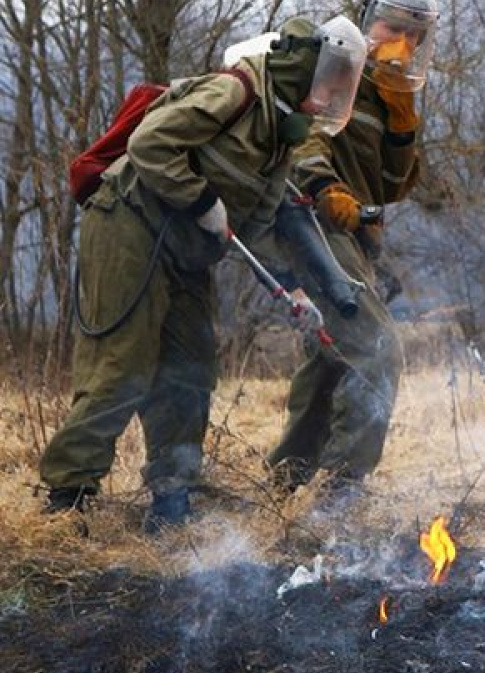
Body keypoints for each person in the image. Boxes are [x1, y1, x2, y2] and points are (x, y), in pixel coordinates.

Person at [39, 16, 367, 533]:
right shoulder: (233, 92)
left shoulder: (279, 140)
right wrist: (202, 198)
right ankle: (66, 500)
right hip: (131, 222)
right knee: (122, 366)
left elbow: (256, 228)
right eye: (325, 87)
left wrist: (292, 289)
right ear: (302, 71)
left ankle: (171, 502)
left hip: (187, 251)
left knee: (191, 369)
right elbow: (150, 145)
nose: (327, 100)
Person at [265, 0, 438, 502]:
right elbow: (304, 134)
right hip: (312, 220)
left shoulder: (392, 93)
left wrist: (403, 122)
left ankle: (280, 486)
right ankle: (341, 496)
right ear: (367, 22)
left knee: (331, 358)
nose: (399, 41)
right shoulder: (335, 59)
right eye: (391, 27)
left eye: (412, 35)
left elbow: (392, 184)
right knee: (377, 346)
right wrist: (324, 186)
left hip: (356, 237)